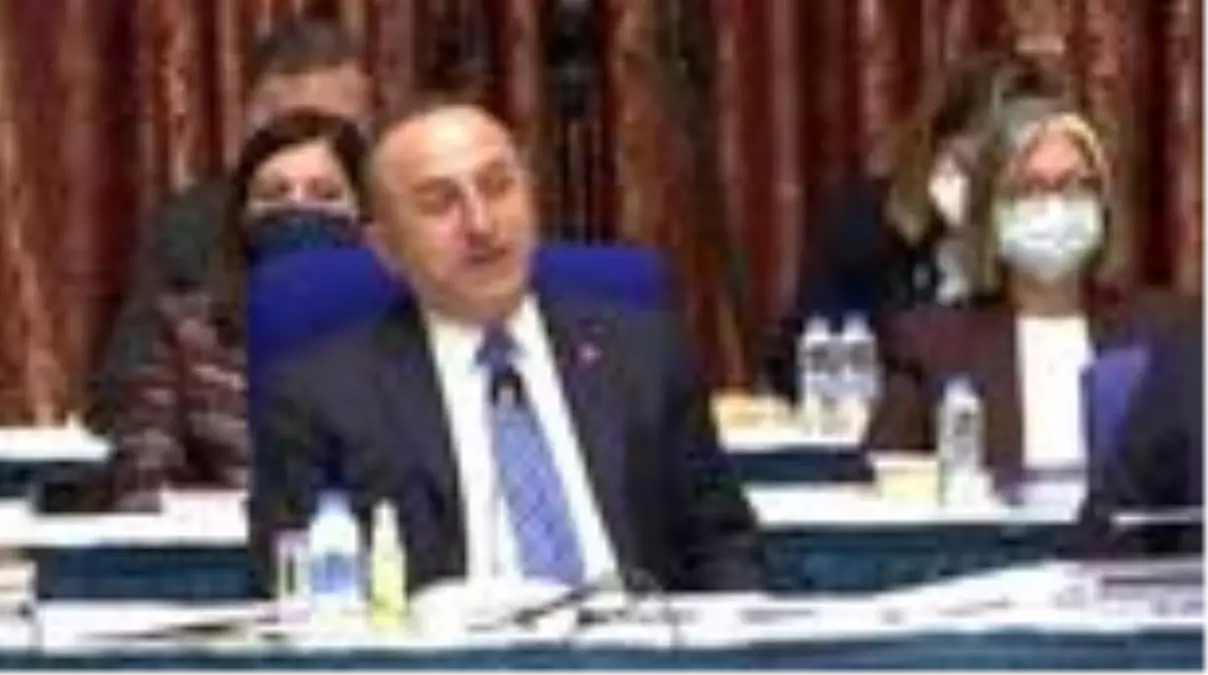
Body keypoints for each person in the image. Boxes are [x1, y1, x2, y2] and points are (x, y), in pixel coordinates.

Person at [249, 99, 762, 596]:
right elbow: (297, 589)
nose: (481, 224)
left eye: (498, 187)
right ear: (387, 249)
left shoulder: (643, 354)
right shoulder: (318, 396)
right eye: (439, 203)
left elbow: (724, 546)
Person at [864, 94, 1186, 500]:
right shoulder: (934, 342)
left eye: (1075, 186)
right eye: (1029, 188)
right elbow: (885, 485)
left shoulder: (1165, 330)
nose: (1054, 205)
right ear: (990, 211)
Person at [87, 18, 371, 433]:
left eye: (345, 132)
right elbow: (123, 391)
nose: (322, 151)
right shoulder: (190, 229)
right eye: (299, 131)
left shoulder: (406, 224)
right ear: (254, 127)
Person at [105, 111, 369, 510]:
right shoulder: (187, 332)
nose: (297, 209)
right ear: (244, 216)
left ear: (364, 213)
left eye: (325, 195)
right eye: (275, 194)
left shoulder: (409, 327)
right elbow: (142, 475)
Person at [765, 51, 1060, 397]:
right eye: (994, 155)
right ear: (944, 148)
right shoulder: (864, 227)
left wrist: (983, 251)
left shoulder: (1042, 235)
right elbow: (806, 363)